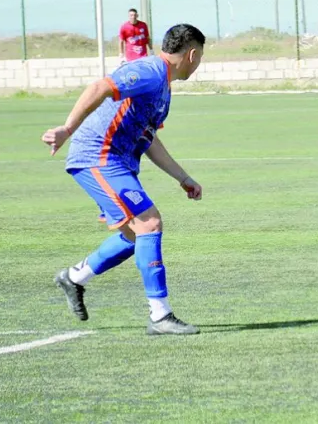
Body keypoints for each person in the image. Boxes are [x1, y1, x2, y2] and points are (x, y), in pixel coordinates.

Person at [42, 23, 207, 334]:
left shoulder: (163, 87)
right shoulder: (149, 71)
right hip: (99, 157)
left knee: (135, 236)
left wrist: (182, 177)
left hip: (116, 162)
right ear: (193, 55)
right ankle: (160, 315)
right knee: (149, 222)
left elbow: (149, 139)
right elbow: (99, 88)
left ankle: (74, 277)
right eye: (200, 58)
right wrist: (67, 128)